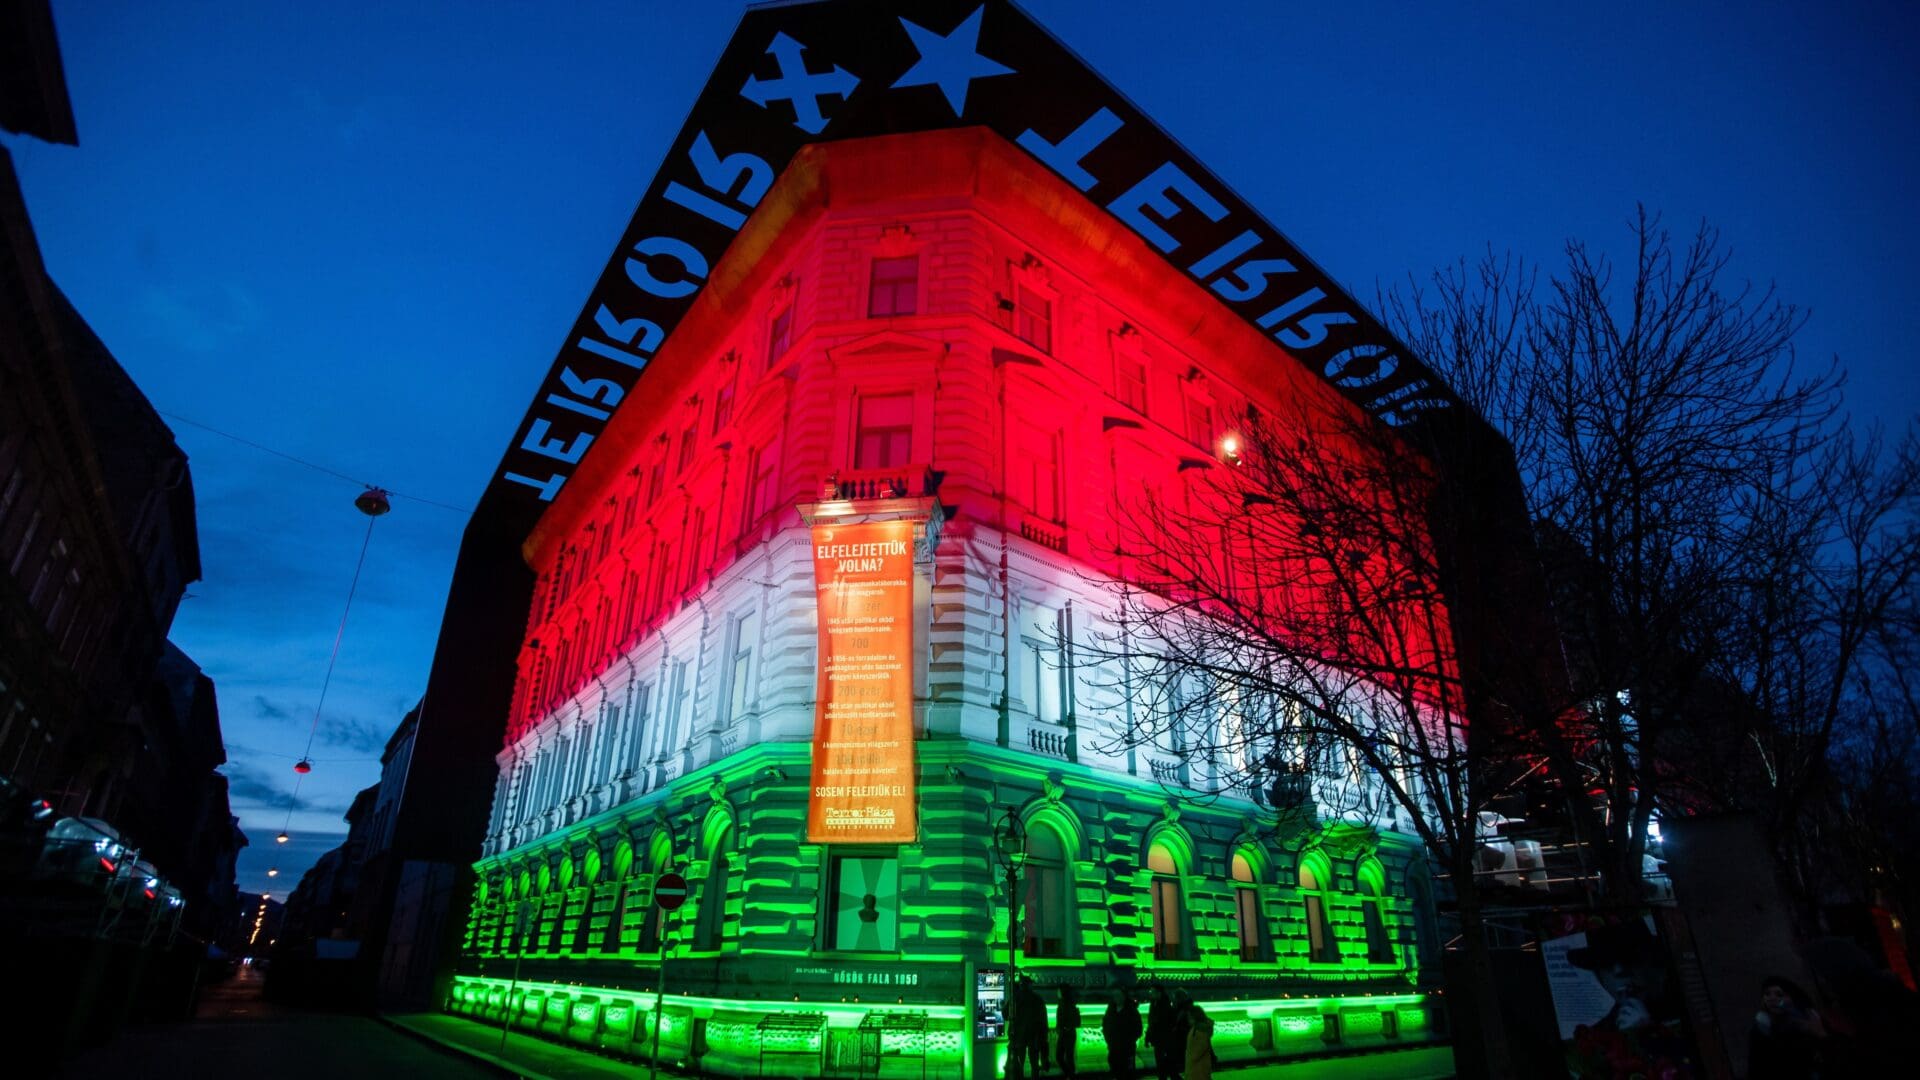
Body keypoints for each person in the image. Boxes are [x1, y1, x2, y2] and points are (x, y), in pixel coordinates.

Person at [1748, 976, 1825, 1080]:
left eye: (1779, 994)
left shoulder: (1808, 1024)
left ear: (1792, 998)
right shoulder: (1760, 1029)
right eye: (1767, 994)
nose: (1772, 998)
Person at [1101, 989, 1142, 1080]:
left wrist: (1129, 1040)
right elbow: (1105, 1024)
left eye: (1119, 995)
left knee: (1127, 1072)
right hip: (1114, 1046)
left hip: (1127, 1047)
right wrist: (1108, 1040)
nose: (1116, 998)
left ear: (1124, 997)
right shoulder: (1111, 1009)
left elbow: (1138, 1028)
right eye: (1115, 995)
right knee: (1115, 1067)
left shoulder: (1131, 1010)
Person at [1145, 986, 1177, 1080]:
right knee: (1164, 1066)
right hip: (1160, 1040)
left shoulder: (1164, 1005)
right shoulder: (1155, 1004)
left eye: (1153, 992)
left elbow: (1156, 1022)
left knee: (1165, 1066)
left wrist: (1150, 1036)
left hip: (1164, 1040)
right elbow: (1152, 1022)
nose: (1151, 993)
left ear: (1159, 993)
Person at [1182, 1002, 1216, 1080]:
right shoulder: (1198, 1029)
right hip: (1198, 1067)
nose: (1188, 1019)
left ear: (1194, 1017)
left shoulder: (1199, 1030)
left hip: (1197, 1069)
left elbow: (1199, 1049)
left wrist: (1190, 1059)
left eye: (1189, 1017)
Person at [1055, 985, 1081, 1079]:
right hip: (1066, 1032)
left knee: (1064, 1056)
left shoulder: (1066, 1004)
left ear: (1062, 992)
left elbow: (1064, 1019)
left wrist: (1062, 1027)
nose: (1057, 993)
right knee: (1065, 1056)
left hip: (1067, 1033)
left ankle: (1070, 1075)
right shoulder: (1065, 1003)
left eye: (1058, 991)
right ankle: (1070, 1075)